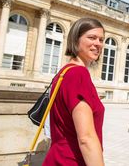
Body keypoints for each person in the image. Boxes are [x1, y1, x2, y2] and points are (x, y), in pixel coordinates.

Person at [43, 17, 105, 166]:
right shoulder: (78, 75)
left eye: (101, 39)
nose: (98, 44)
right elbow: (86, 138)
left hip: (57, 156)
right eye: (92, 37)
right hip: (72, 160)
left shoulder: (64, 72)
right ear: (75, 40)